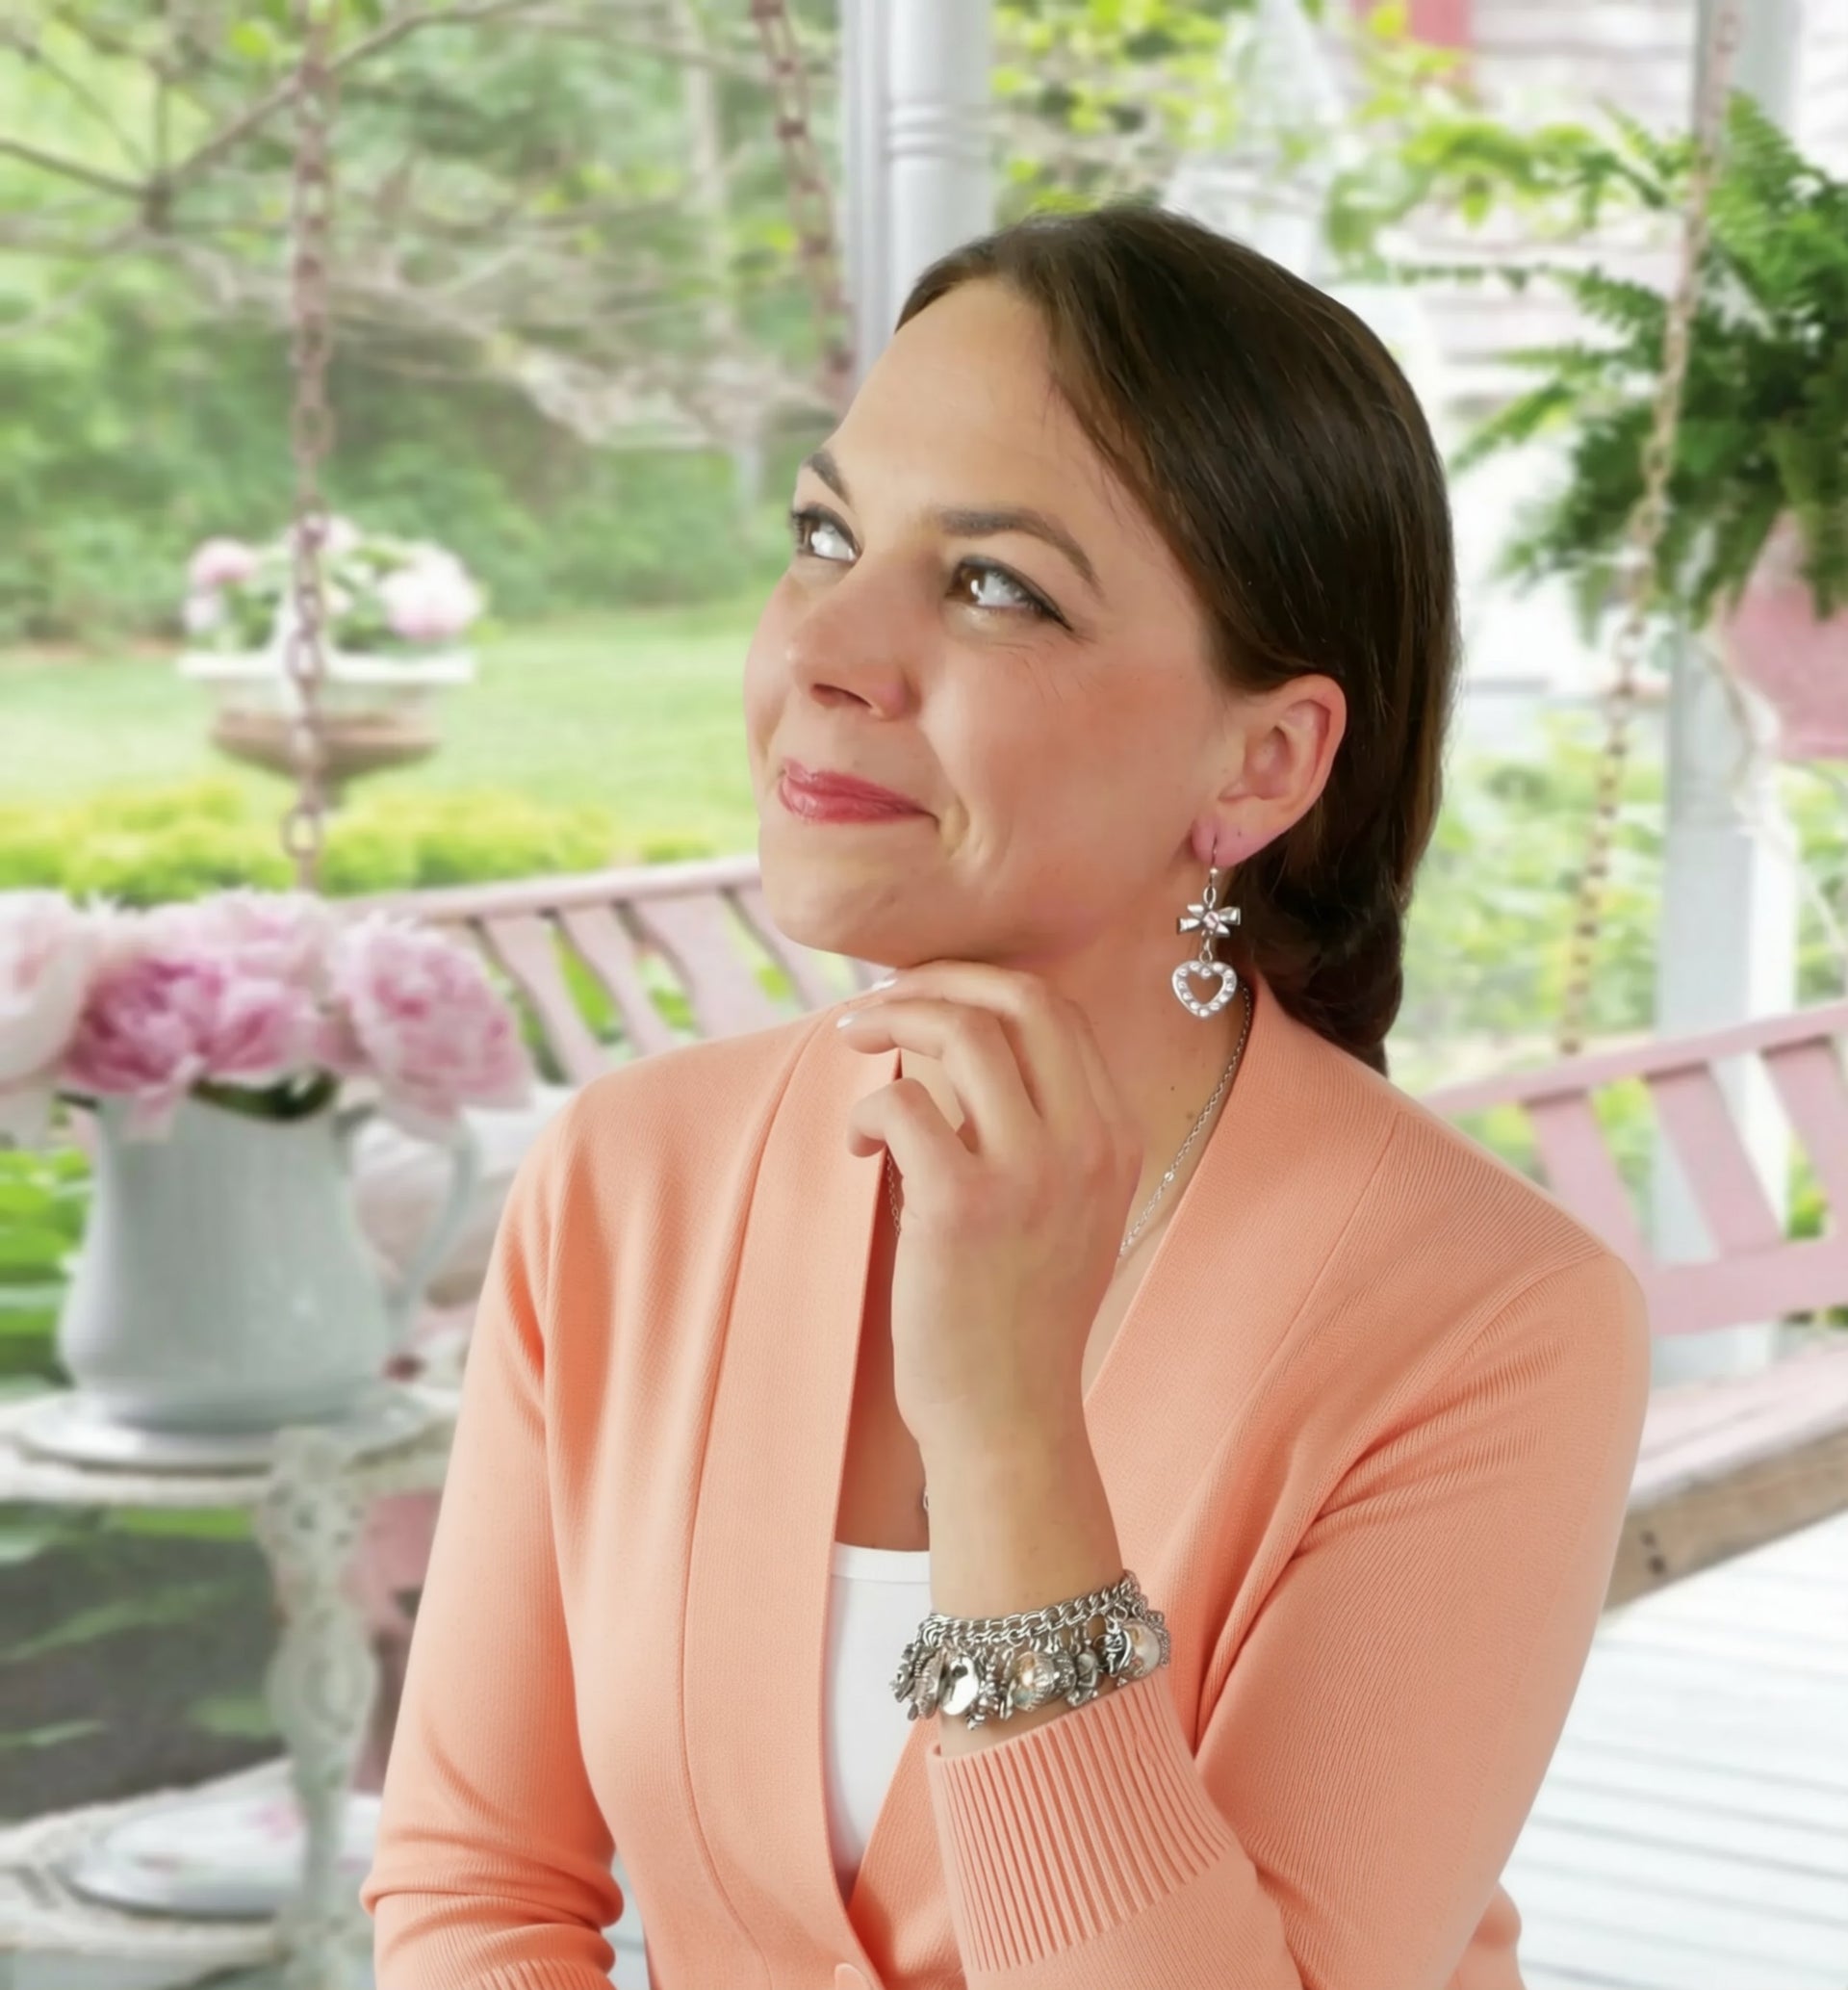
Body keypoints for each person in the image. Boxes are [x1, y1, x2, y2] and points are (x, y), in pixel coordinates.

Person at [360, 204, 1650, 1990]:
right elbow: (477, 1891)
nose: (825, 652)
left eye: (995, 587)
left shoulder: (1491, 1322)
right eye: (826, 535)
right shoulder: (628, 1183)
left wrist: (1004, 1426)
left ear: (1262, 762)